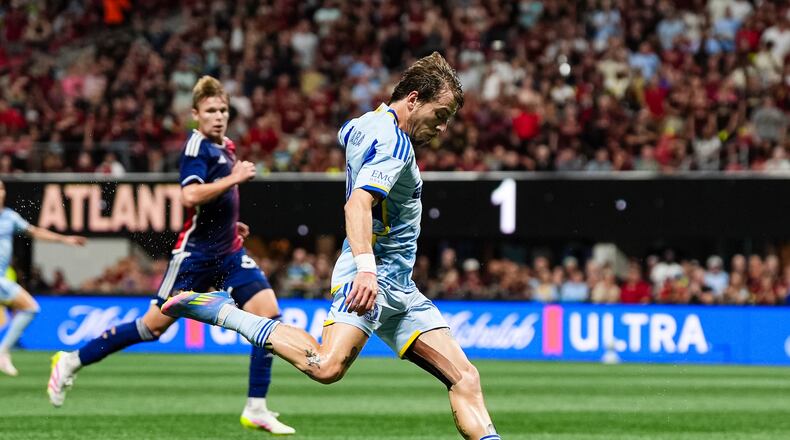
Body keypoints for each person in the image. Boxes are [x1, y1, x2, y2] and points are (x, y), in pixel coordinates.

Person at [162, 53, 501, 440]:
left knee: (465, 377)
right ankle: (225, 312)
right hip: (372, 279)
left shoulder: (363, 124)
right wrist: (367, 269)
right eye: (440, 114)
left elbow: (345, 134)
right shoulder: (396, 146)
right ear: (412, 99)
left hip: (400, 285)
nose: (442, 128)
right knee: (325, 366)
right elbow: (357, 202)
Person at [46, 76, 294, 435]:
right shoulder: (196, 149)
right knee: (151, 328)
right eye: (211, 111)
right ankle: (71, 360)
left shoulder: (226, 145)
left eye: (223, 109)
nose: (219, 116)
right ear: (196, 114)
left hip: (229, 252)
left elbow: (215, 202)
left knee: (269, 314)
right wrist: (234, 179)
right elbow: (190, 197)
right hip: (194, 257)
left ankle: (256, 407)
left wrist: (232, 224)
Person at [0, 180, 86, 376]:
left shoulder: (10, 217)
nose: (0, 193)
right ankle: (2, 352)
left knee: (30, 308)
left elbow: (35, 232)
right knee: (29, 308)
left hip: (2, 279)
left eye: (2, 188)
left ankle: (3, 352)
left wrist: (65, 239)